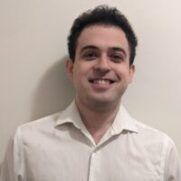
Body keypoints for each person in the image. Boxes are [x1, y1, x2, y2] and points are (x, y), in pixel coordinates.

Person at [1, 5, 181, 181]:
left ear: (130, 72)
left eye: (116, 57)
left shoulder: (161, 152)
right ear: (71, 68)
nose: (103, 66)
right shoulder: (25, 144)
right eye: (90, 55)